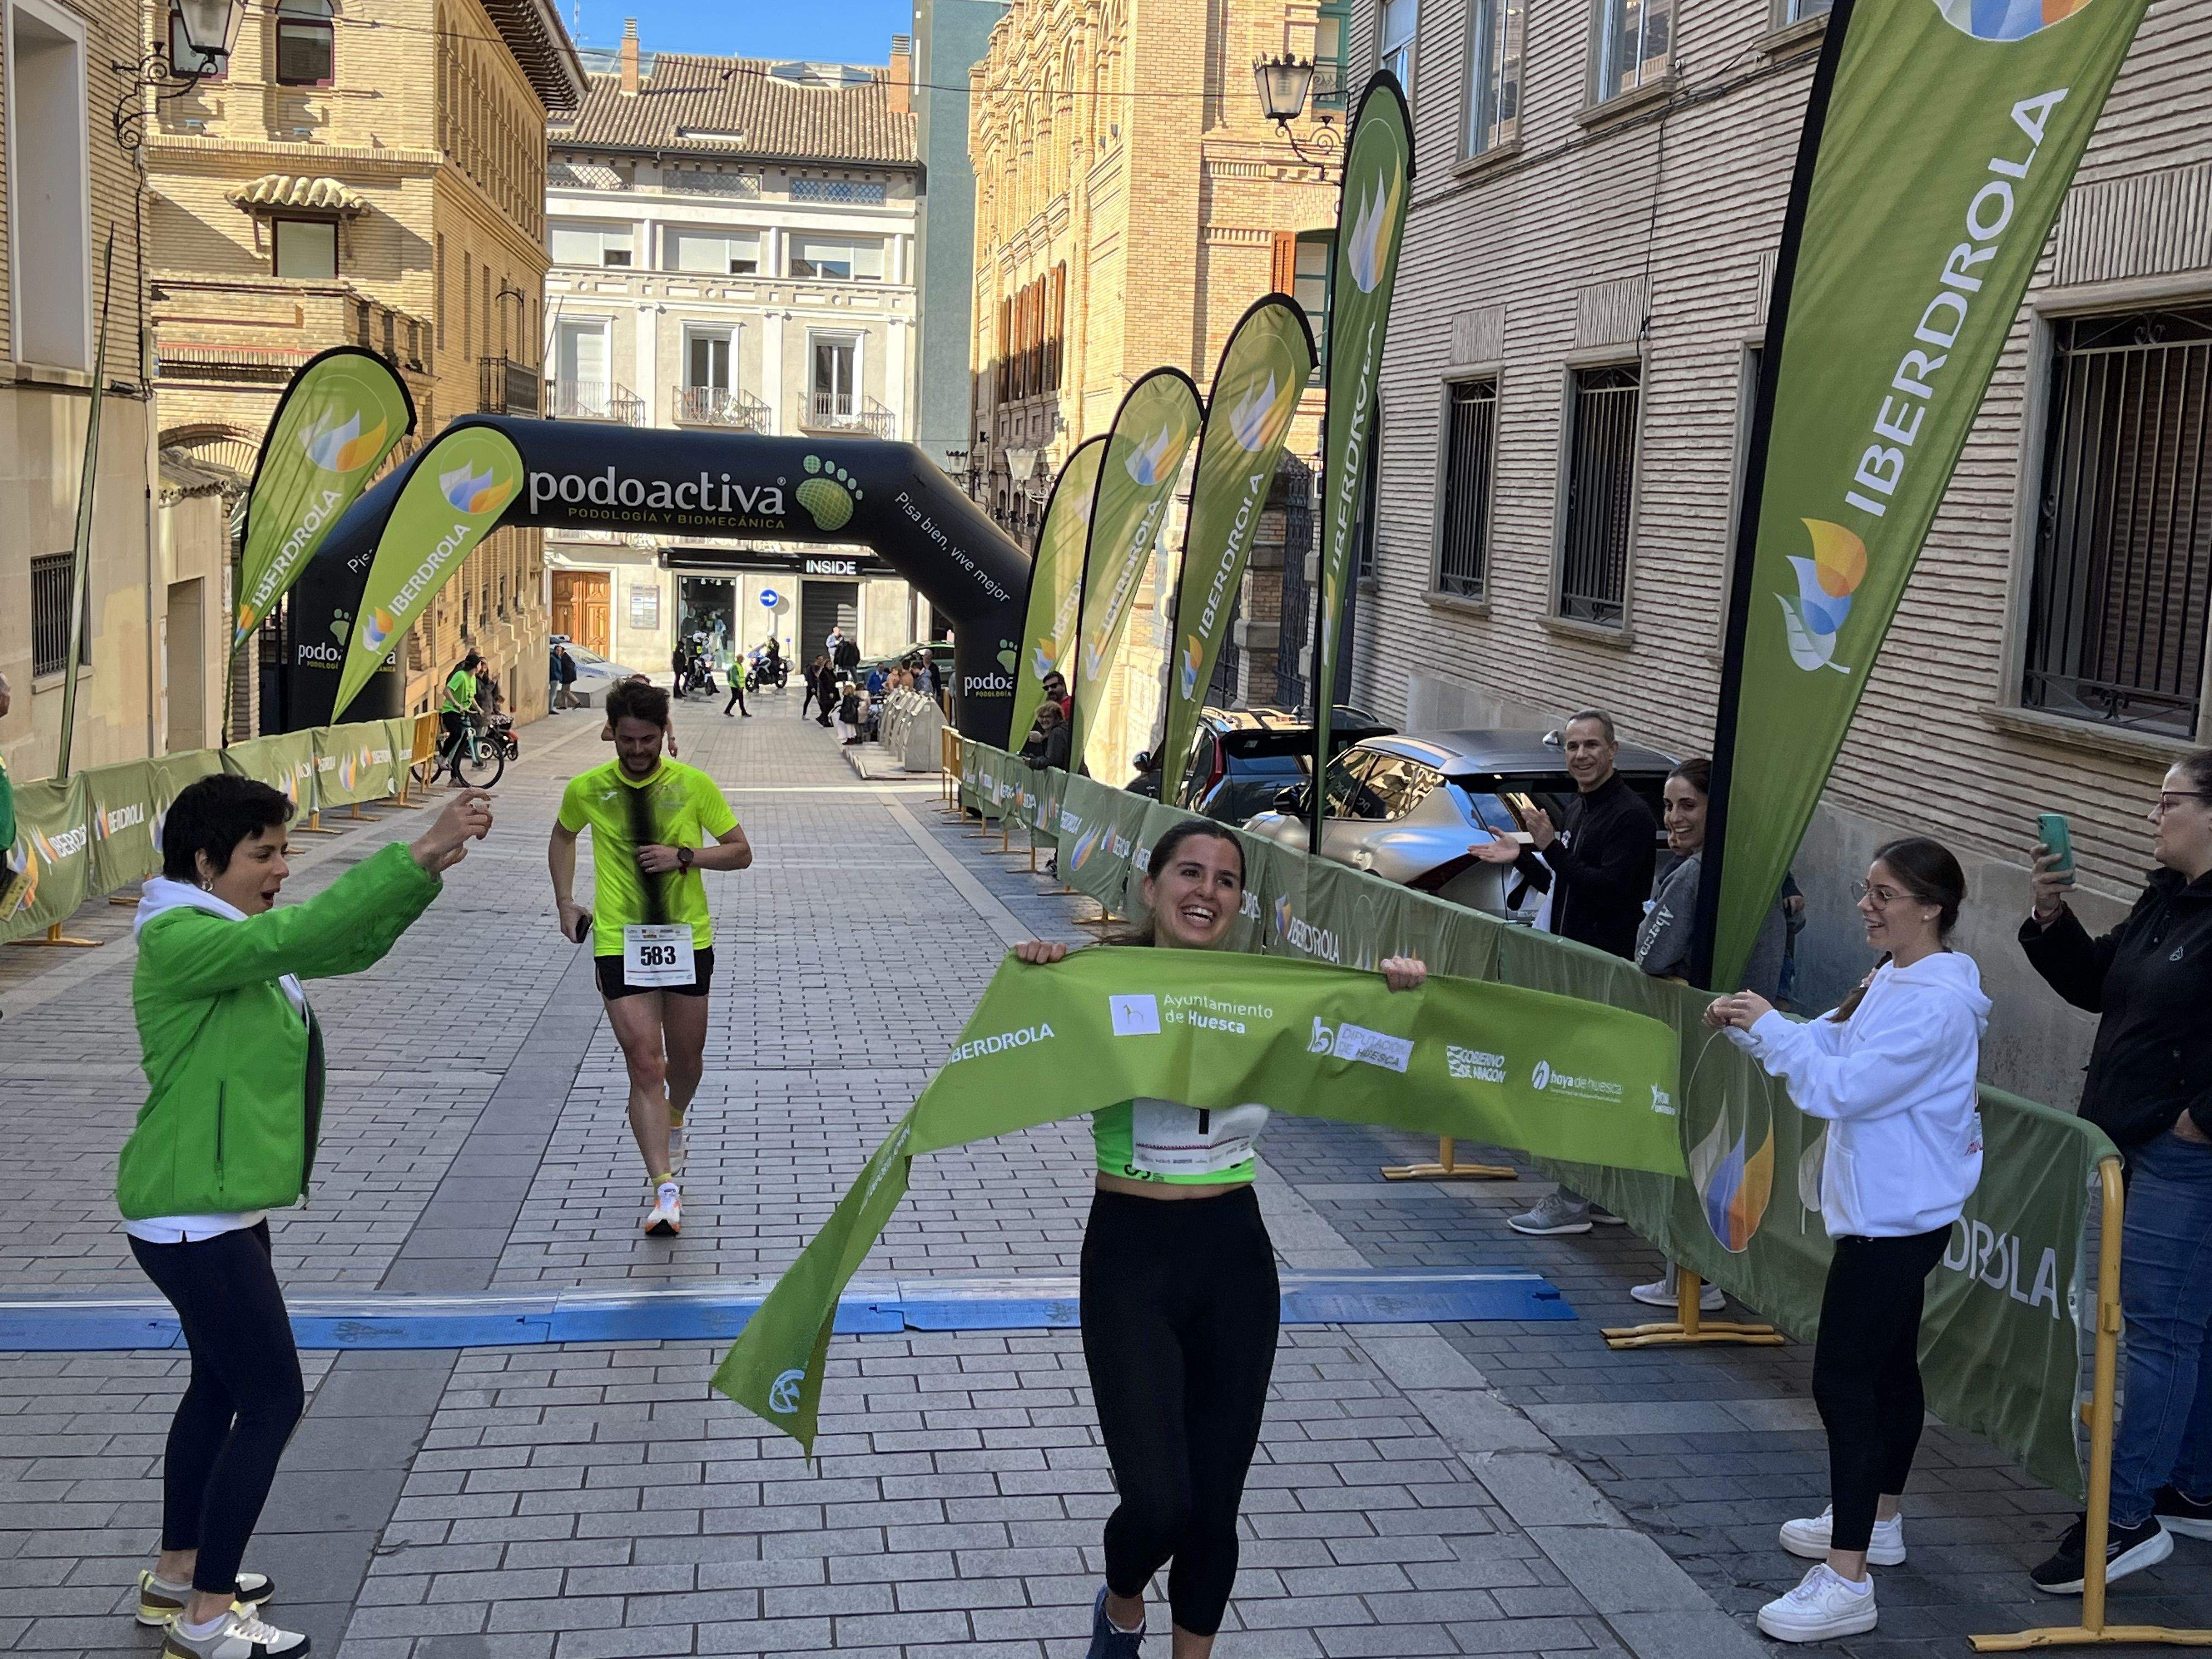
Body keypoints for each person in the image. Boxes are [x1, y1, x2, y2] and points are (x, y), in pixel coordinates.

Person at [1012, 820, 1428, 1659]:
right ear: (1151, 886)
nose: (1207, 891)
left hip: (1233, 1254)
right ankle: (1122, 1600)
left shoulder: (1269, 990)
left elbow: (1364, 1057)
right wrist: (1038, 981)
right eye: (1190, 873)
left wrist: (1395, 995)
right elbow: (1015, 1059)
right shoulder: (1095, 979)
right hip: (1130, 1253)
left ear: (1243, 903)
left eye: (1227, 881)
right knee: (1159, 1503)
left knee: (1215, 1505)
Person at [121, 775, 492, 1656]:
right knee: (274, 1396)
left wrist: (426, 874)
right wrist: (419, 849)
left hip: (214, 1208)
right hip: (190, 1218)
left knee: (219, 1388)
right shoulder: (180, 939)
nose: (283, 869)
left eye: (285, 850)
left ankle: (179, 1573)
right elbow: (305, 932)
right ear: (206, 862)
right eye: (264, 854)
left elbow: (338, 949)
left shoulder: (227, 933)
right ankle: (208, 1617)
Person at [1706, 837, 1985, 1643]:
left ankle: (1847, 1577)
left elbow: (1841, 1089)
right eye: (1866, 890)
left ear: (1931, 907)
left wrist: (1773, 1031)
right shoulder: (1891, 975)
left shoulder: (1936, 1003)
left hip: (1897, 1219)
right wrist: (1753, 1026)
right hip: (1883, 1212)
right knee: (1890, 1371)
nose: (1866, 905)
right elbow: (1830, 1043)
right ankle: (1881, 1524)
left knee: (1843, 1384)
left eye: (1885, 894)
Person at [2018, 750, 2212, 1593]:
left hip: (2181, 1154)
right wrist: (2050, 912)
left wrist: (2199, 1122)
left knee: (2161, 1334)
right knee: (2181, 1328)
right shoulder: (2165, 899)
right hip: (2129, 1139)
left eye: (2167, 802)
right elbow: (2098, 984)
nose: (2151, 816)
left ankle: (2124, 1519)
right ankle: (2192, 1488)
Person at [550, 682, 751, 1237]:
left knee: (685, 1065)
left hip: (686, 940)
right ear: (612, 732)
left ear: (665, 732)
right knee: (647, 1065)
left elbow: (740, 851)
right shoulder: (587, 789)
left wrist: (684, 856)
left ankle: (676, 1114)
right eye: (628, 740)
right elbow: (563, 837)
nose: (638, 751)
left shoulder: (692, 785)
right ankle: (665, 1190)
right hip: (619, 941)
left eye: (649, 740)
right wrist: (566, 901)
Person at [1471, 709, 1657, 1235]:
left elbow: (1608, 890)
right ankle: (1598, 1195)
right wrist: (1523, 858)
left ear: (1613, 750)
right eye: (1573, 747)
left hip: (1603, 973)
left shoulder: (1631, 816)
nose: (1581, 756)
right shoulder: (1580, 806)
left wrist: (1549, 847)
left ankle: (1572, 1202)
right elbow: (1567, 884)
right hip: (1574, 968)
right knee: (1587, 1085)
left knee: (1582, 1087)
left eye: (1591, 745)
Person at [1629, 757, 1792, 1310]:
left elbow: (1649, 955)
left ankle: (1697, 1281)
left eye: (1688, 805)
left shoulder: (1699, 873)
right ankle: (1696, 1276)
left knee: (1700, 1154)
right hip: (1743, 1037)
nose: (1674, 817)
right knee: (1719, 1154)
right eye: (1669, 805)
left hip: (1712, 1039)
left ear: (1717, 812)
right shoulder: (1754, 869)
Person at [439, 652, 483, 772]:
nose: (481, 667)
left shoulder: (473, 678)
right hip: (451, 711)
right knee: (457, 734)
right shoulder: (460, 676)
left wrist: (479, 709)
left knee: (462, 744)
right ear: (475, 666)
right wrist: (456, 704)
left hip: (463, 713)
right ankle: (442, 757)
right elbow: (446, 691)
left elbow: (471, 697)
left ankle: (455, 773)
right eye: (480, 664)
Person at [1023, 702, 1071, 771]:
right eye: (1041, 717)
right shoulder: (1064, 729)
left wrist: (1031, 762)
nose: (1044, 720)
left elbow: (1052, 761)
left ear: (1057, 718)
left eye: (1048, 717)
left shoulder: (1057, 733)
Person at [723, 653, 749, 719]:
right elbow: (734, 678)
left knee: (740, 699)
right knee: (735, 698)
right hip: (735, 686)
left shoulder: (739, 665)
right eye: (742, 659)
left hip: (739, 686)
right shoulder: (735, 666)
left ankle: (743, 712)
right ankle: (727, 711)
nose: (743, 660)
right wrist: (739, 687)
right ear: (739, 659)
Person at [555, 644, 580, 710]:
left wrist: (563, 677)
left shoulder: (565, 658)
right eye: (557, 650)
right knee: (563, 691)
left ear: (562, 651)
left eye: (559, 650)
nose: (558, 652)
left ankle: (577, 702)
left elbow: (567, 668)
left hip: (568, 678)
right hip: (567, 677)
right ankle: (563, 705)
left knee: (566, 691)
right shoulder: (564, 657)